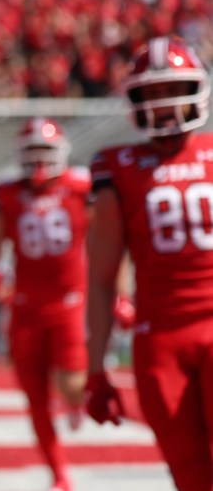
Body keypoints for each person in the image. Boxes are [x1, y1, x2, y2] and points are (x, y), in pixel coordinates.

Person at [85, 36, 213, 491]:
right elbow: (101, 277)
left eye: (173, 88)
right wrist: (96, 366)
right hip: (160, 338)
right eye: (153, 92)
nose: (165, 103)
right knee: (191, 476)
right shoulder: (117, 166)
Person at [0, 116, 90, 491]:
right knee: (34, 395)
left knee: (73, 384)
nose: (39, 160)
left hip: (69, 301)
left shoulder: (80, 187)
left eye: (45, 151)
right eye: (32, 152)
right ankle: (59, 473)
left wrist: (117, 292)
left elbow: (105, 241)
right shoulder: (6, 193)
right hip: (26, 305)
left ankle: (75, 403)